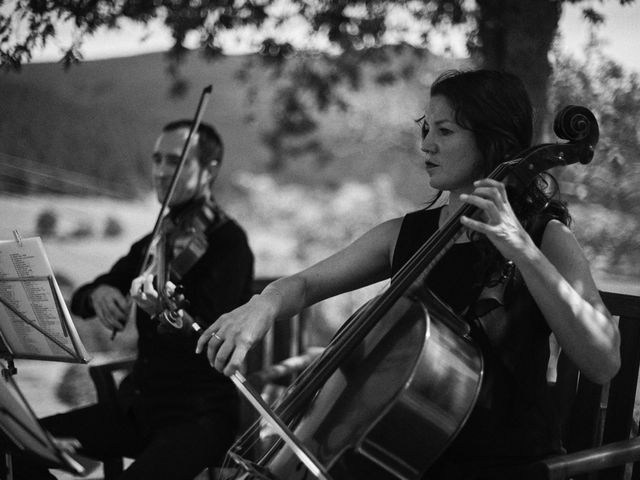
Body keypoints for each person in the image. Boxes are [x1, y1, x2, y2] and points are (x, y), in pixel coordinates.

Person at [195, 70, 621, 479]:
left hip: (506, 465)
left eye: (446, 132)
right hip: (405, 461)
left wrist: (523, 251)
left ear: (493, 143)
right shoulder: (408, 235)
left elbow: (603, 361)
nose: (426, 146)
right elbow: (304, 284)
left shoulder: (544, 236)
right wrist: (263, 304)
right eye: (426, 129)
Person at [12, 120, 254, 480]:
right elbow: (83, 297)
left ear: (209, 170)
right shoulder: (154, 242)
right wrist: (100, 293)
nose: (160, 171)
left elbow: (213, 337)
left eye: (175, 161)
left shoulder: (228, 245)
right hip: (136, 410)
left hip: (198, 418)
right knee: (19, 446)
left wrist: (168, 315)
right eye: (157, 160)